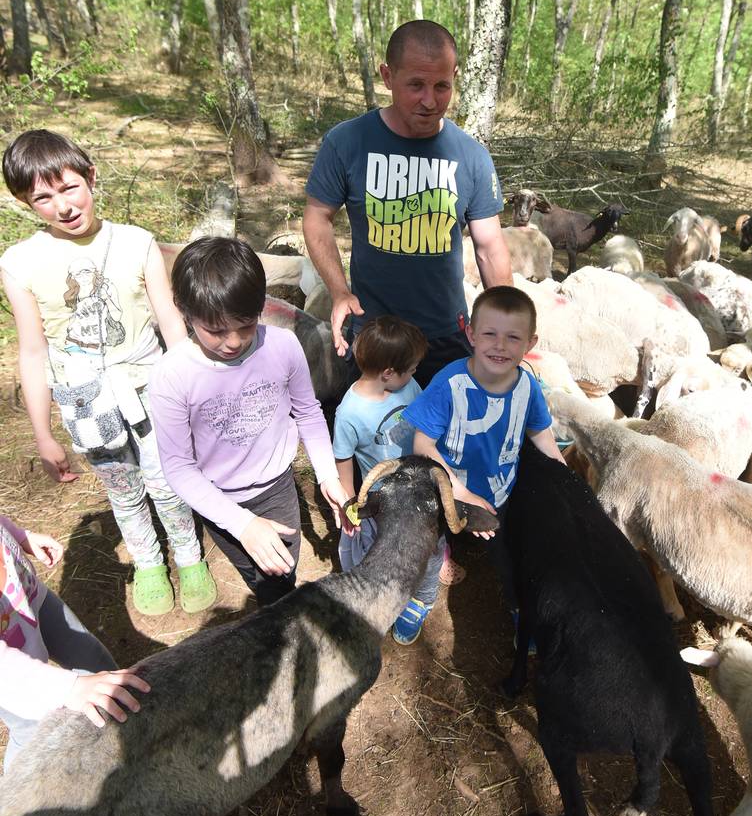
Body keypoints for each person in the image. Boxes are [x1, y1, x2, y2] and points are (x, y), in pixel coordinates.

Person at [0, 130, 215, 618]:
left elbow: (169, 321)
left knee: (166, 476)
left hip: (151, 384)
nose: (63, 206)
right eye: (43, 198)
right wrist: (43, 434)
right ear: (24, 202)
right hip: (85, 400)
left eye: (70, 188)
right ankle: (149, 563)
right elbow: (33, 352)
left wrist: (192, 387)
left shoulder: (137, 243)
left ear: (91, 178)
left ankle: (188, 556)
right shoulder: (19, 264)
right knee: (122, 485)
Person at [303, 19, 513, 386]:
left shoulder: (472, 156)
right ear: (387, 75)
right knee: (374, 435)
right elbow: (317, 218)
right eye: (415, 85)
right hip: (375, 334)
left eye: (442, 86)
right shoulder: (347, 143)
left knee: (447, 438)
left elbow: (490, 246)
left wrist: (509, 327)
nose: (430, 101)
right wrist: (339, 292)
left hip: (448, 334)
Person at [149, 237, 353, 607]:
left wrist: (326, 474)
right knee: (264, 578)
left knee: (282, 569)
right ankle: (278, 623)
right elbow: (178, 467)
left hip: (277, 487)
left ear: (261, 306)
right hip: (220, 498)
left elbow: (307, 412)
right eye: (216, 330)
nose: (234, 342)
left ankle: (280, 609)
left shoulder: (282, 346)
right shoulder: (172, 375)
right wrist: (241, 524)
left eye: (245, 325)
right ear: (184, 311)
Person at [402, 285, 565, 637]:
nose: (500, 346)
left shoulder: (529, 388)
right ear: (471, 334)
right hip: (445, 490)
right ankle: (422, 596)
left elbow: (544, 439)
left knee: (511, 555)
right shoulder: (449, 382)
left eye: (512, 337)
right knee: (428, 543)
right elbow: (422, 446)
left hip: (498, 494)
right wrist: (459, 493)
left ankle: (519, 606)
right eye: (489, 334)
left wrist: (567, 485)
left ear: (530, 344)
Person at [332, 315, 464, 644]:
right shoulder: (349, 412)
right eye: (412, 369)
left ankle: (420, 601)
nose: (416, 374)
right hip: (382, 501)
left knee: (431, 551)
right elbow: (343, 458)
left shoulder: (407, 386)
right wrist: (349, 500)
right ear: (389, 373)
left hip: (420, 495)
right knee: (379, 551)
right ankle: (377, 598)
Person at [0, 512, 149, 769]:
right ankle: (13, 803)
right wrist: (69, 688)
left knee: (93, 660)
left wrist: (19, 536)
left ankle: (124, 729)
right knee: (31, 732)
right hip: (12, 677)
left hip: (31, 597)